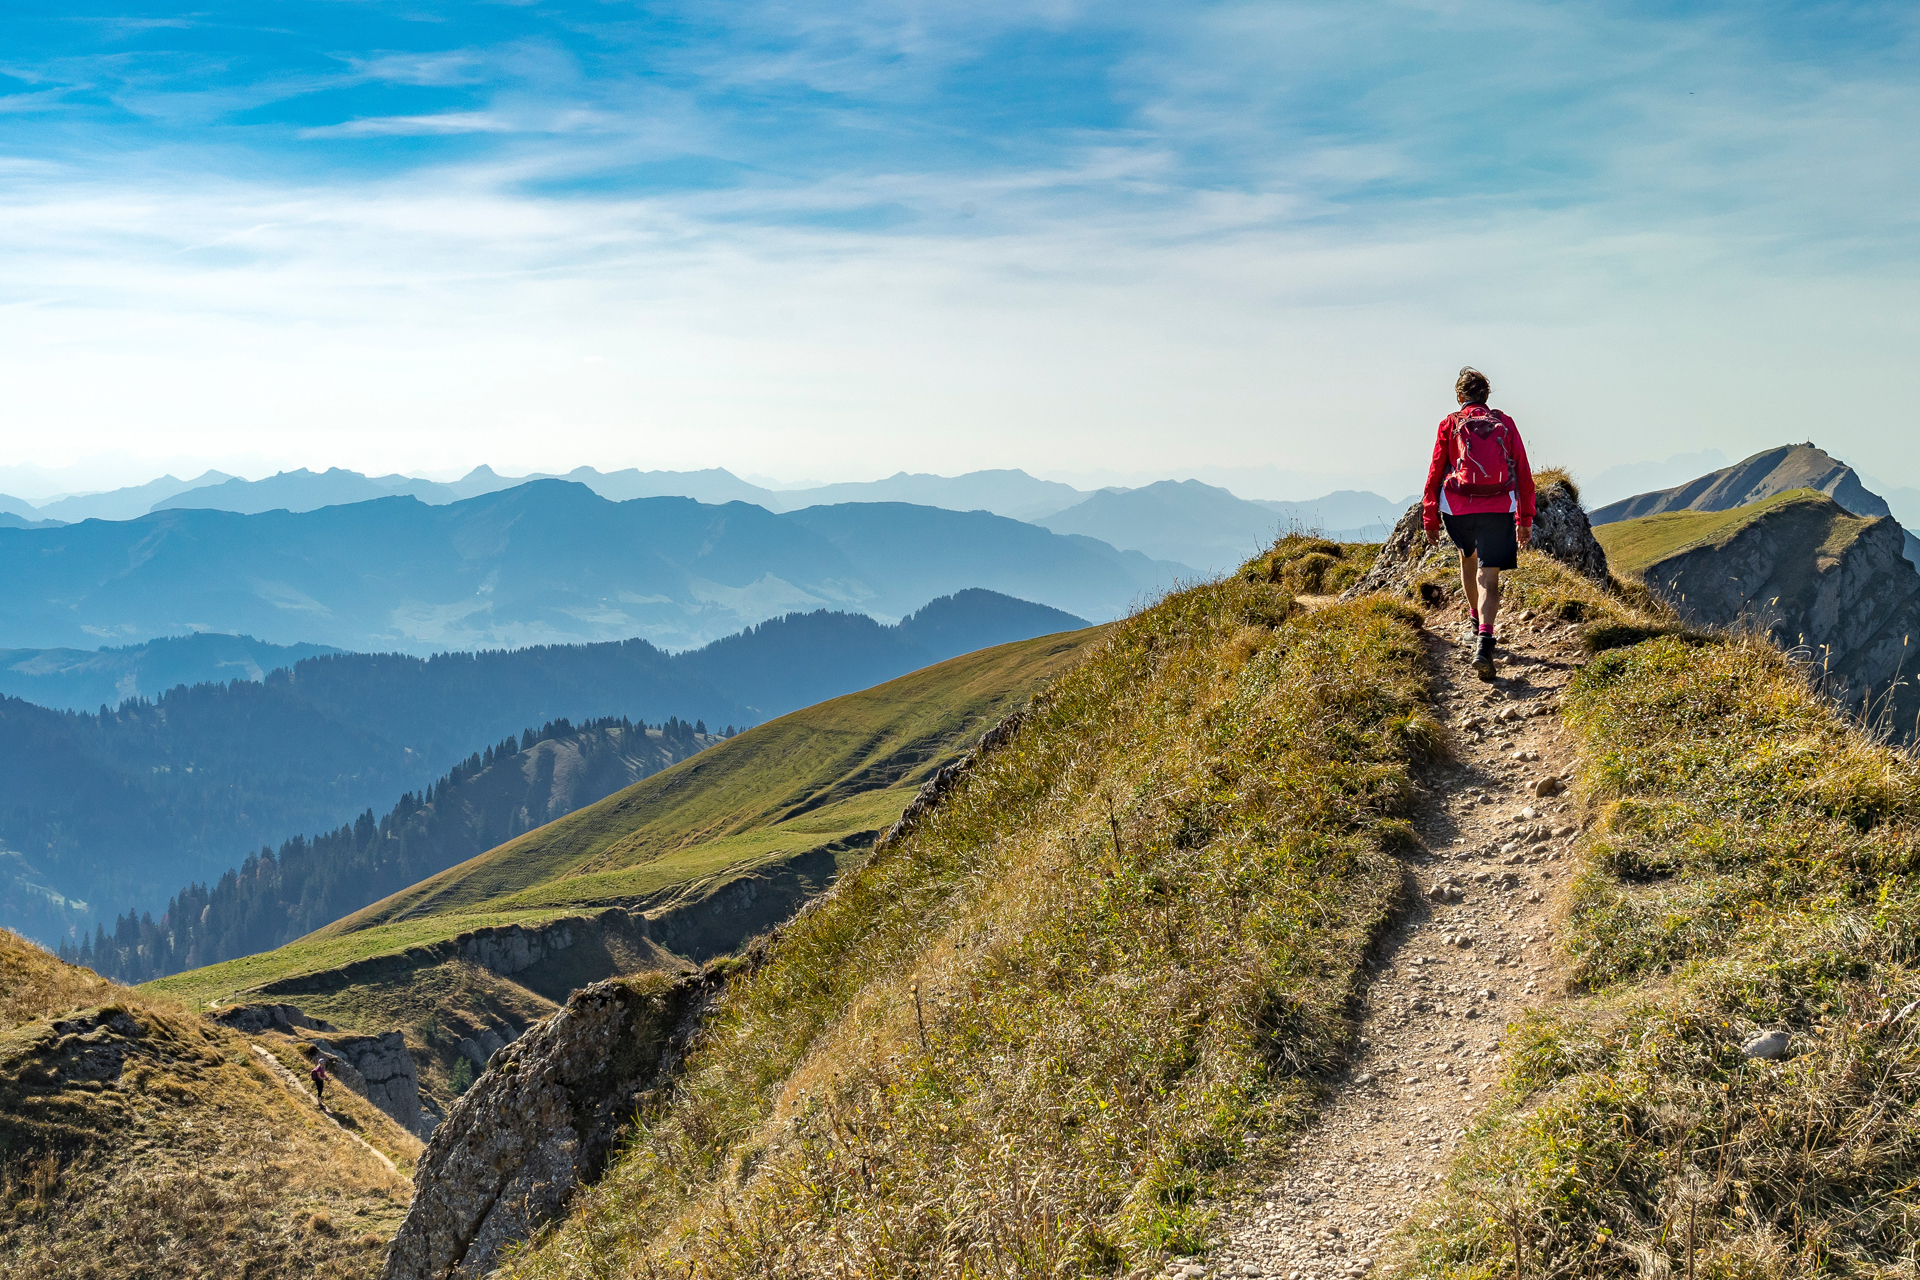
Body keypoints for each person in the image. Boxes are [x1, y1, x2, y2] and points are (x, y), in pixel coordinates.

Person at [1422, 367, 1534, 680]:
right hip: (1498, 506)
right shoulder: (1505, 423)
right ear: (1486, 397)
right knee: (1490, 576)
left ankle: (1474, 620)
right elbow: (1523, 473)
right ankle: (1485, 640)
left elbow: (1435, 471)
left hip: (1457, 508)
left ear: (1460, 397)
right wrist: (1525, 519)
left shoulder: (1450, 423)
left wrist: (1430, 516)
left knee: (1467, 560)